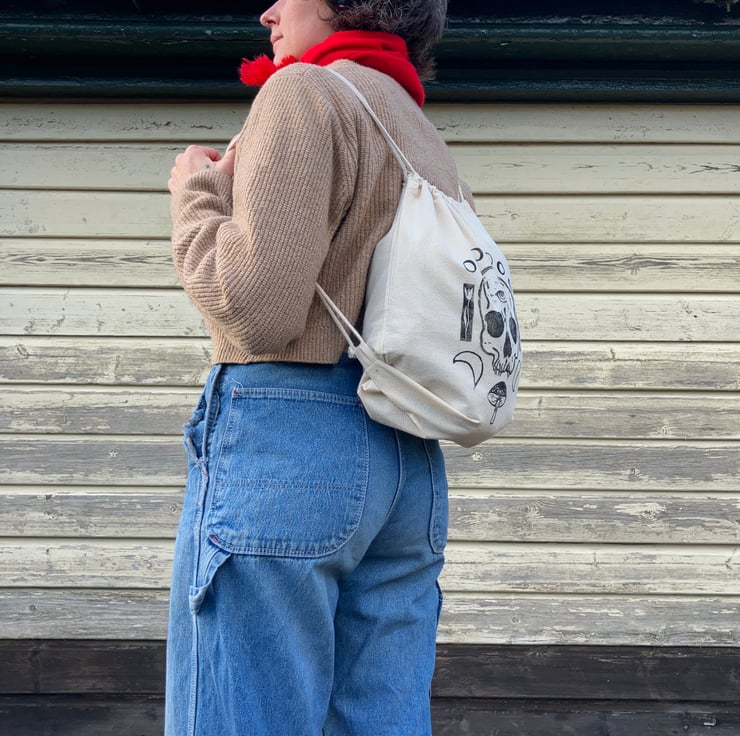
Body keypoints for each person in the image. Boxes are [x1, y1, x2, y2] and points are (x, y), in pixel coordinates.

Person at [165, 1, 469, 734]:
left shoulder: (304, 91)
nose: (268, 11)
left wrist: (194, 196)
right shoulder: (414, 126)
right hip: (406, 453)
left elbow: (256, 309)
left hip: (290, 436)